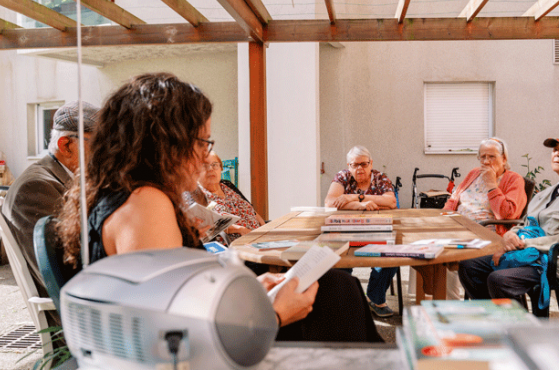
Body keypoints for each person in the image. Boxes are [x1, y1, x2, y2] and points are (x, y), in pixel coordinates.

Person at [57, 73, 382, 342]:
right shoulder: (144, 204)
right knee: (338, 295)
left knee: (339, 289)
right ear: (165, 142)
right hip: (217, 349)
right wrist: (273, 314)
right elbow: (168, 336)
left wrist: (250, 291)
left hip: (217, 332)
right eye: (202, 141)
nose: (204, 155)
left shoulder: (122, 194)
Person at [459, 132, 559, 308]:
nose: (557, 153)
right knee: (470, 266)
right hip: (528, 255)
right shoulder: (545, 194)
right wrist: (510, 235)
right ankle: (495, 320)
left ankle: (521, 328)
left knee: (500, 279)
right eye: (555, 149)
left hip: (557, 262)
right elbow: (525, 223)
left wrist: (523, 243)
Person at [3, 100, 99, 326]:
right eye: (101, 147)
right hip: (79, 325)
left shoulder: (67, 179)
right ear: (66, 145)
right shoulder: (36, 187)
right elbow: (63, 275)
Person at [442, 138, 527, 299]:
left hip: (486, 234)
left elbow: (508, 213)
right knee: (428, 251)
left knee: (444, 255)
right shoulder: (474, 174)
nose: (486, 161)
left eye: (492, 157)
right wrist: (444, 216)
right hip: (458, 228)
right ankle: (443, 302)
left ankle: (453, 305)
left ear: (504, 159)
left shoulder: (514, 179)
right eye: (483, 157)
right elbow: (454, 200)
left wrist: (491, 185)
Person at [324, 146, 398, 317]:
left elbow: (391, 202)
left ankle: (375, 298)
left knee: (393, 254)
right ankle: (346, 299)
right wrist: (361, 206)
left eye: (364, 164)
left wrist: (354, 197)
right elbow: (329, 202)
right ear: (348, 166)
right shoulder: (342, 176)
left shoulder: (380, 177)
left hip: (377, 230)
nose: (359, 168)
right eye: (354, 165)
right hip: (346, 230)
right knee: (336, 254)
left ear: (371, 163)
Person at [184, 151, 265, 245]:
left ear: (221, 168)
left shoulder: (228, 185)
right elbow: (205, 225)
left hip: (259, 239)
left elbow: (252, 210)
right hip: (234, 245)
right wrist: (240, 229)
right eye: (205, 166)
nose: (211, 169)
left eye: (214, 165)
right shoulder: (193, 194)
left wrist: (265, 228)